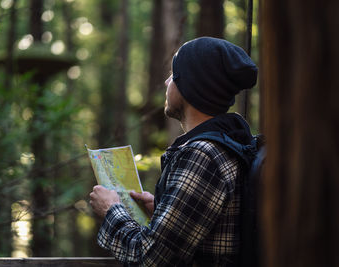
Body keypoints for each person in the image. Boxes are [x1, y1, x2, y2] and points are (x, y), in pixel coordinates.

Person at [89, 37, 258, 266]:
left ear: (191, 86)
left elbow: (149, 259)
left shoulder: (202, 155)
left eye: (174, 75)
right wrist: (161, 209)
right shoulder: (220, 146)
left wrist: (111, 210)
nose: (168, 81)